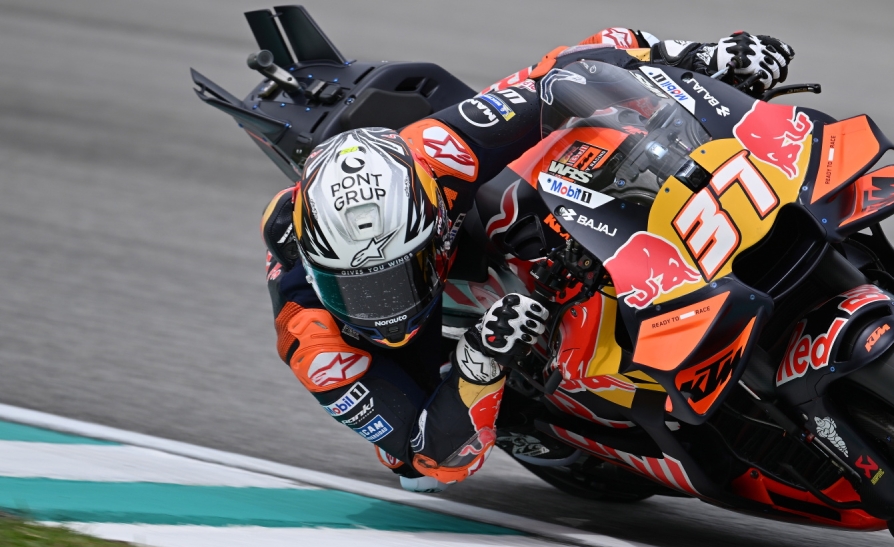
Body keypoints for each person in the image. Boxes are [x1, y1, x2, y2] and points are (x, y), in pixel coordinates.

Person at [258, 29, 797, 492]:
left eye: (397, 280)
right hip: (426, 370)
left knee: (557, 163)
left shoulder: (440, 152)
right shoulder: (316, 343)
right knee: (416, 475)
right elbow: (434, 459)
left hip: (457, 225)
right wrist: (479, 360)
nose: (385, 308)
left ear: (432, 227)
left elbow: (567, 70)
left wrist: (697, 56)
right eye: (359, 290)